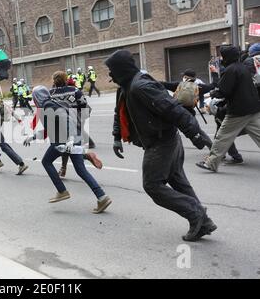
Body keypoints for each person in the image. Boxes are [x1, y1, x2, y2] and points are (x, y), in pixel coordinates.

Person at [106, 50, 216, 242]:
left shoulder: (140, 86)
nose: (109, 75)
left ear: (121, 69)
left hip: (161, 142)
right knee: (178, 181)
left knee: (152, 186)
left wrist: (195, 133)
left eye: (111, 70)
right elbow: (120, 112)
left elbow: (173, 108)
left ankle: (196, 213)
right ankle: (203, 222)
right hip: (163, 140)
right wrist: (117, 136)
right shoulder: (125, 86)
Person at [24, 85, 111, 214]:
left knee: (46, 162)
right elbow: (52, 128)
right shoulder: (49, 104)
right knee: (81, 170)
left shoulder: (47, 106)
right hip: (72, 138)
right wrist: (33, 137)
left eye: (33, 97)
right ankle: (102, 197)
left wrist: (69, 139)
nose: (33, 100)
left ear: (38, 97)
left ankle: (62, 191)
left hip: (63, 140)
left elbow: (66, 120)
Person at [196, 45, 260, 173]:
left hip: (238, 111)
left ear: (227, 57)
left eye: (222, 55)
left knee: (223, 136)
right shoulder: (243, 67)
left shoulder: (230, 70)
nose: (221, 58)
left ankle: (211, 163)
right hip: (253, 108)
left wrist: (213, 94)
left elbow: (224, 91)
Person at [50, 71, 97, 177]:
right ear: (66, 79)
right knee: (70, 146)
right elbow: (84, 104)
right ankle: (65, 168)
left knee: (64, 147)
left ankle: (69, 166)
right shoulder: (74, 90)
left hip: (60, 125)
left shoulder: (51, 93)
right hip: (75, 121)